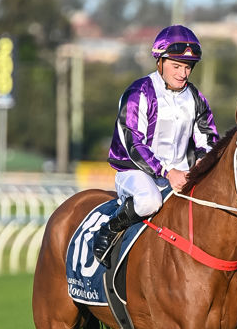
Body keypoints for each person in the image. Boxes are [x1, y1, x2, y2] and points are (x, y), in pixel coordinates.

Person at [93, 24, 219, 267]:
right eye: (176, 66)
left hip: (182, 174)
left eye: (187, 67)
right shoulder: (139, 91)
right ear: (159, 61)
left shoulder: (196, 98)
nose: (183, 73)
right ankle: (109, 231)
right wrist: (166, 172)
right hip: (135, 173)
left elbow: (209, 139)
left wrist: (203, 165)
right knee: (149, 201)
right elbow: (132, 141)